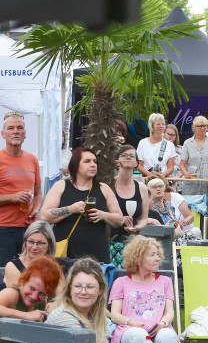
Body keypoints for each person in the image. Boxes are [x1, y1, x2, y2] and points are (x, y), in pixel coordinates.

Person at [41, 148, 124, 263]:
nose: (93, 165)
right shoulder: (61, 186)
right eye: (87, 161)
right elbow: (45, 216)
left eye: (95, 162)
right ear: (76, 165)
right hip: (65, 255)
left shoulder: (103, 188)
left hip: (97, 255)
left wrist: (103, 215)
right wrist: (71, 209)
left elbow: (119, 219)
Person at [109, 236, 179, 343]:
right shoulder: (121, 282)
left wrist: (163, 323)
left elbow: (170, 312)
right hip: (129, 332)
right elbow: (115, 315)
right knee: (139, 335)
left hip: (158, 333)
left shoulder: (165, 281)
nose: (158, 258)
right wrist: (132, 323)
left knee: (168, 335)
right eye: (152, 255)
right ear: (138, 258)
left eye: (158, 255)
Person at [0, 112, 42, 265]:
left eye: (20, 128)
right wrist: (12, 197)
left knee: (27, 274)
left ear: (25, 134)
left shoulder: (32, 159)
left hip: (29, 229)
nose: (15, 131)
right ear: (3, 134)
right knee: (3, 275)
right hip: (3, 229)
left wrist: (36, 209)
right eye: (10, 128)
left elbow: (38, 194)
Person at [110, 145, 150, 267]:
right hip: (110, 243)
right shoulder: (109, 185)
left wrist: (137, 227)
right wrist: (118, 219)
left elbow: (144, 218)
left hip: (133, 244)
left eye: (131, 156)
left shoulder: (142, 188)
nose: (128, 157)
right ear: (117, 162)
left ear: (136, 164)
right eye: (124, 155)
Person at [0, 255, 62, 321]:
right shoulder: (12, 294)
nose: (34, 297)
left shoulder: (41, 303)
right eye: (32, 288)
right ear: (24, 281)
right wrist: (25, 315)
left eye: (41, 293)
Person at [3, 221, 57, 289]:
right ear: (25, 242)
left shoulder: (55, 266)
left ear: (49, 245)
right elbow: (19, 297)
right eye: (30, 242)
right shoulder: (12, 266)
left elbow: (61, 295)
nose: (34, 247)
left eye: (40, 243)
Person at [146, 176, 201, 240]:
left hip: (175, 233)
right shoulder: (149, 205)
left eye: (160, 186)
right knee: (194, 235)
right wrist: (167, 226)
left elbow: (175, 220)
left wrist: (178, 224)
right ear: (149, 191)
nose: (158, 189)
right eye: (154, 187)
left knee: (196, 231)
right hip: (162, 237)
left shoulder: (168, 204)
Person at [179, 115, 208, 202]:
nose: (202, 128)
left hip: (207, 180)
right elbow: (182, 164)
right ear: (194, 127)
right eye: (199, 126)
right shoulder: (187, 143)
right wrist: (186, 174)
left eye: (204, 126)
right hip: (192, 180)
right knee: (190, 206)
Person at [136, 113, 176, 178]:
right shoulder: (142, 143)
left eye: (163, 124)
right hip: (147, 179)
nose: (161, 126)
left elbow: (171, 167)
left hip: (163, 180)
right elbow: (139, 165)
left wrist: (163, 174)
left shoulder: (170, 145)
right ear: (151, 126)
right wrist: (149, 174)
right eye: (158, 124)